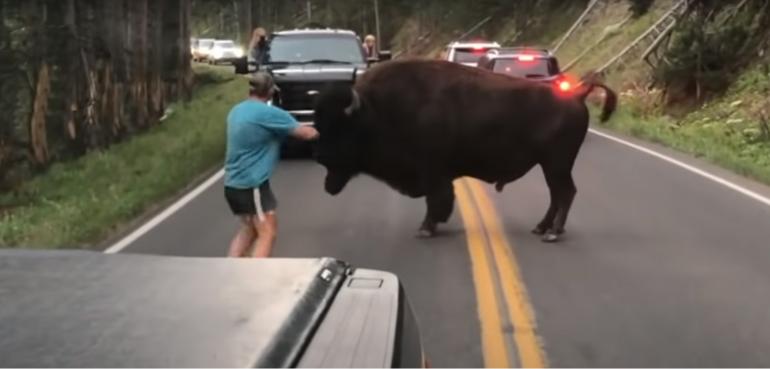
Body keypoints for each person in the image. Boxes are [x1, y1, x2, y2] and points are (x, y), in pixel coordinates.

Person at [224, 72, 319, 258]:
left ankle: (230, 270)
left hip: (233, 183)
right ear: (269, 92)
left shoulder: (237, 110)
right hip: (252, 185)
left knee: (249, 229)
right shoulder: (268, 113)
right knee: (267, 231)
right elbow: (306, 134)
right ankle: (257, 279)